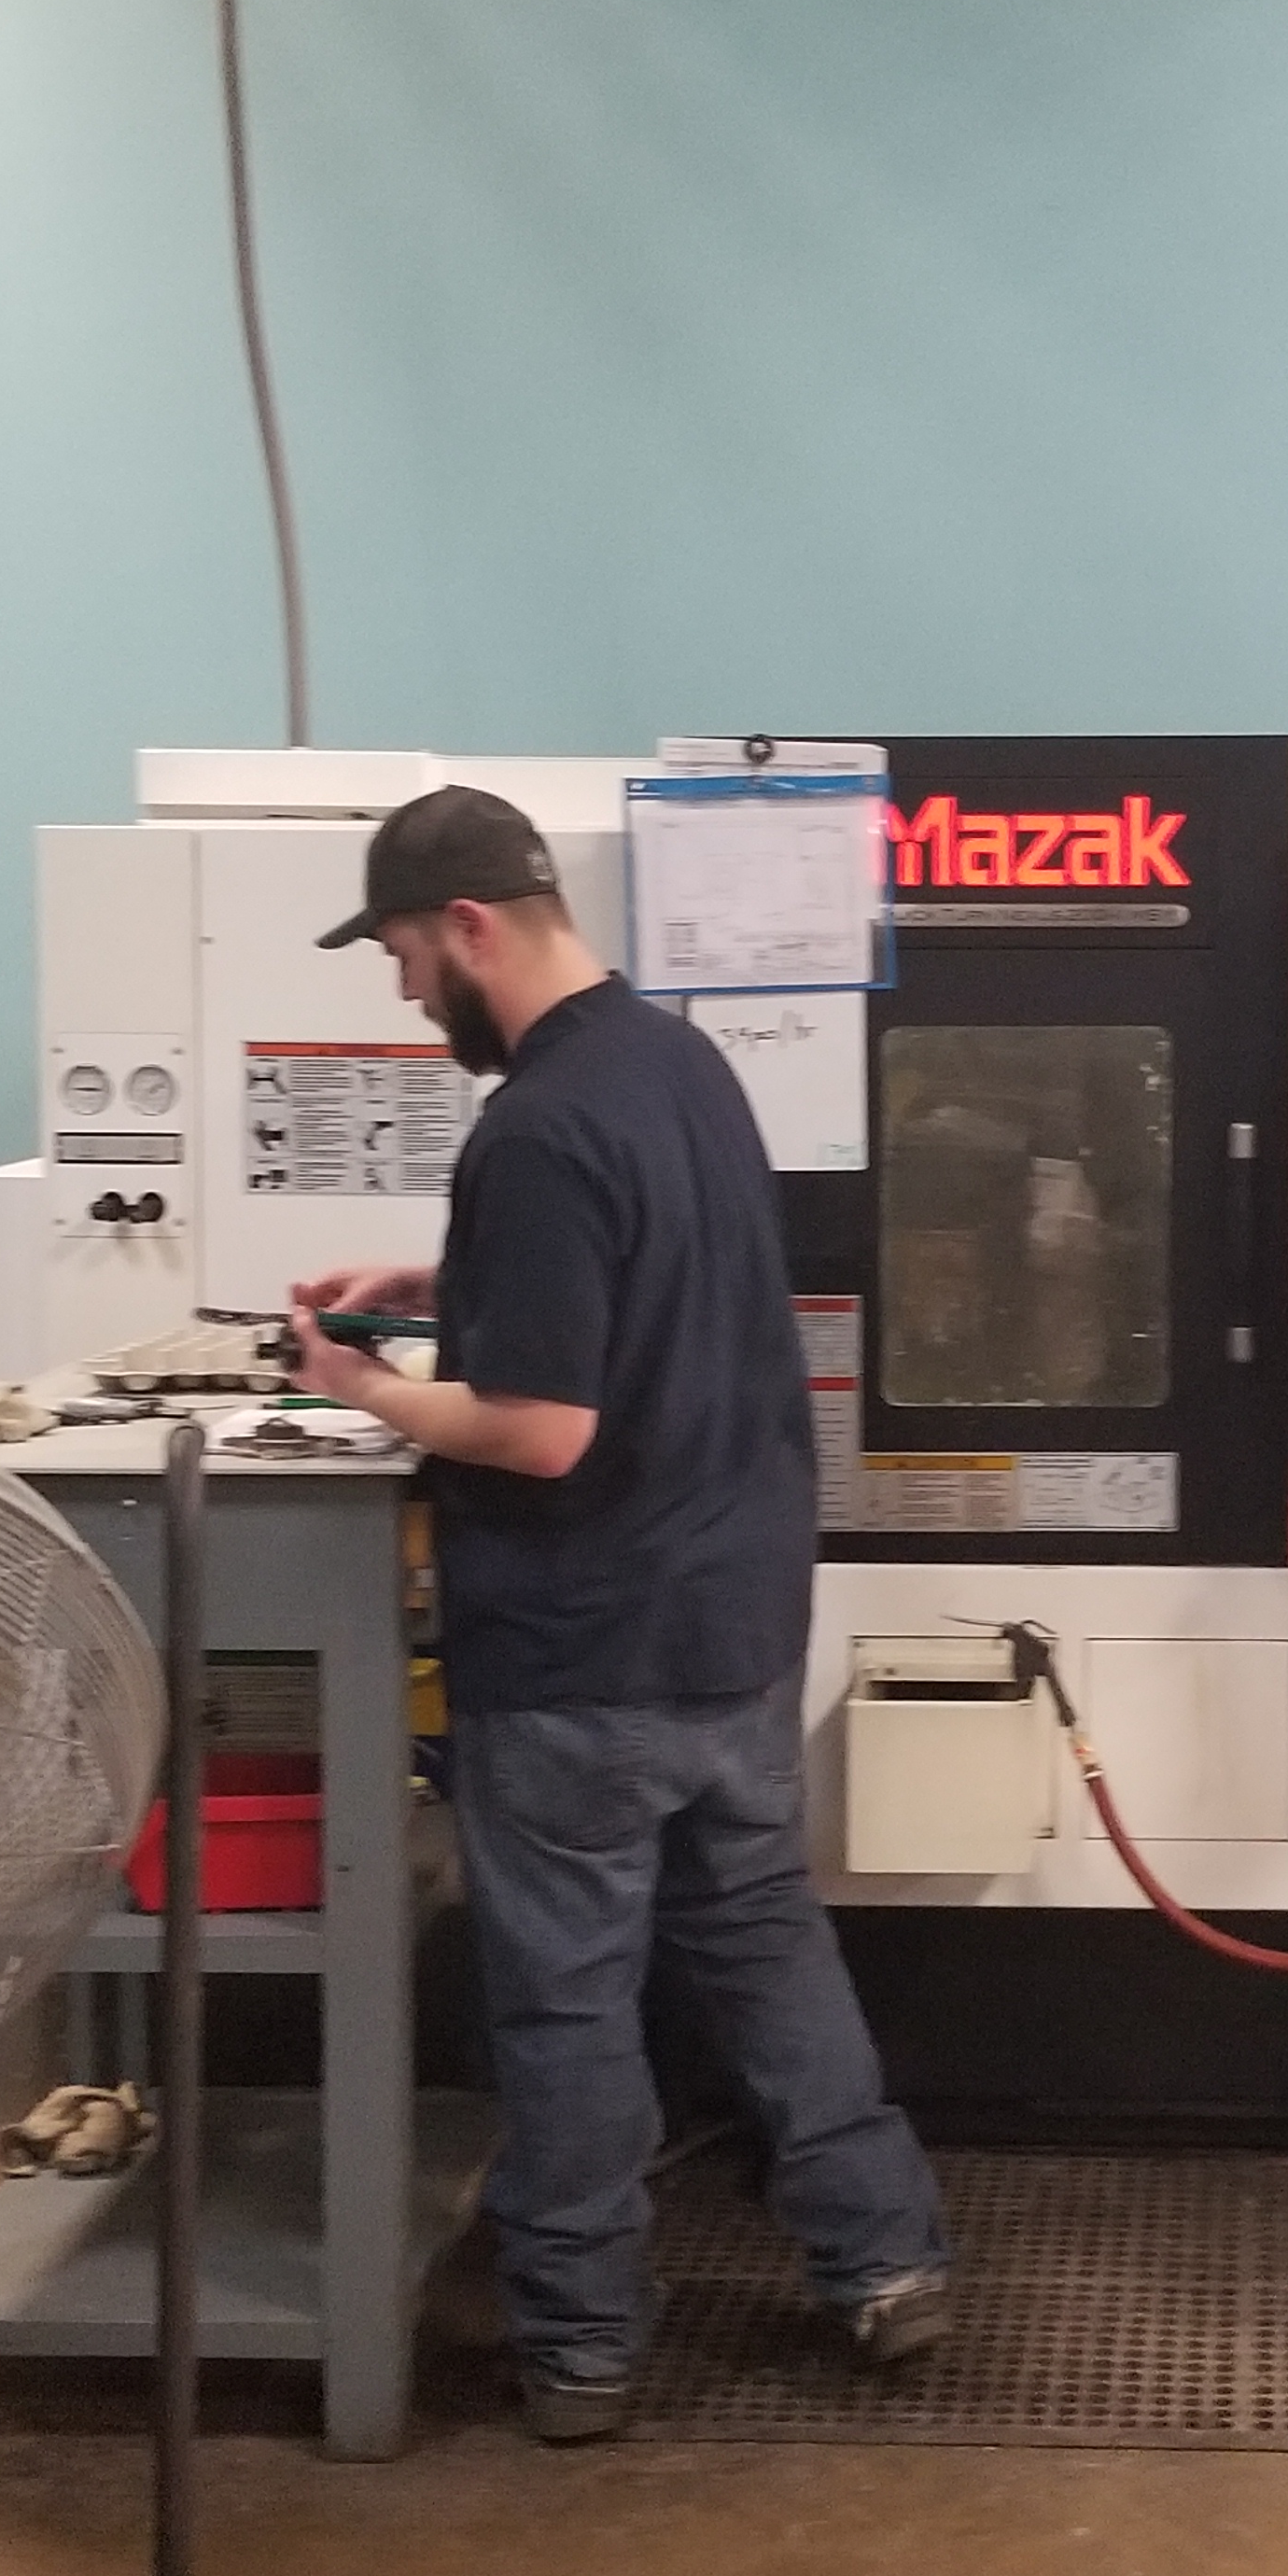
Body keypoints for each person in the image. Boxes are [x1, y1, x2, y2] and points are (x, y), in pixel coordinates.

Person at [284, 783, 951, 2444]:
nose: (403, 994)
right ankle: (883, 2259)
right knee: (765, 1949)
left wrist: (360, 1389)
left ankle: (580, 2344)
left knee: (568, 1999)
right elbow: (650, 1279)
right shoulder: (677, 1064)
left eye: (402, 954)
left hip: (582, 1654)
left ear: (470, 929)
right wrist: (435, 1286)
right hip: (734, 1625)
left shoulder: (531, 1128)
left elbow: (542, 1430)